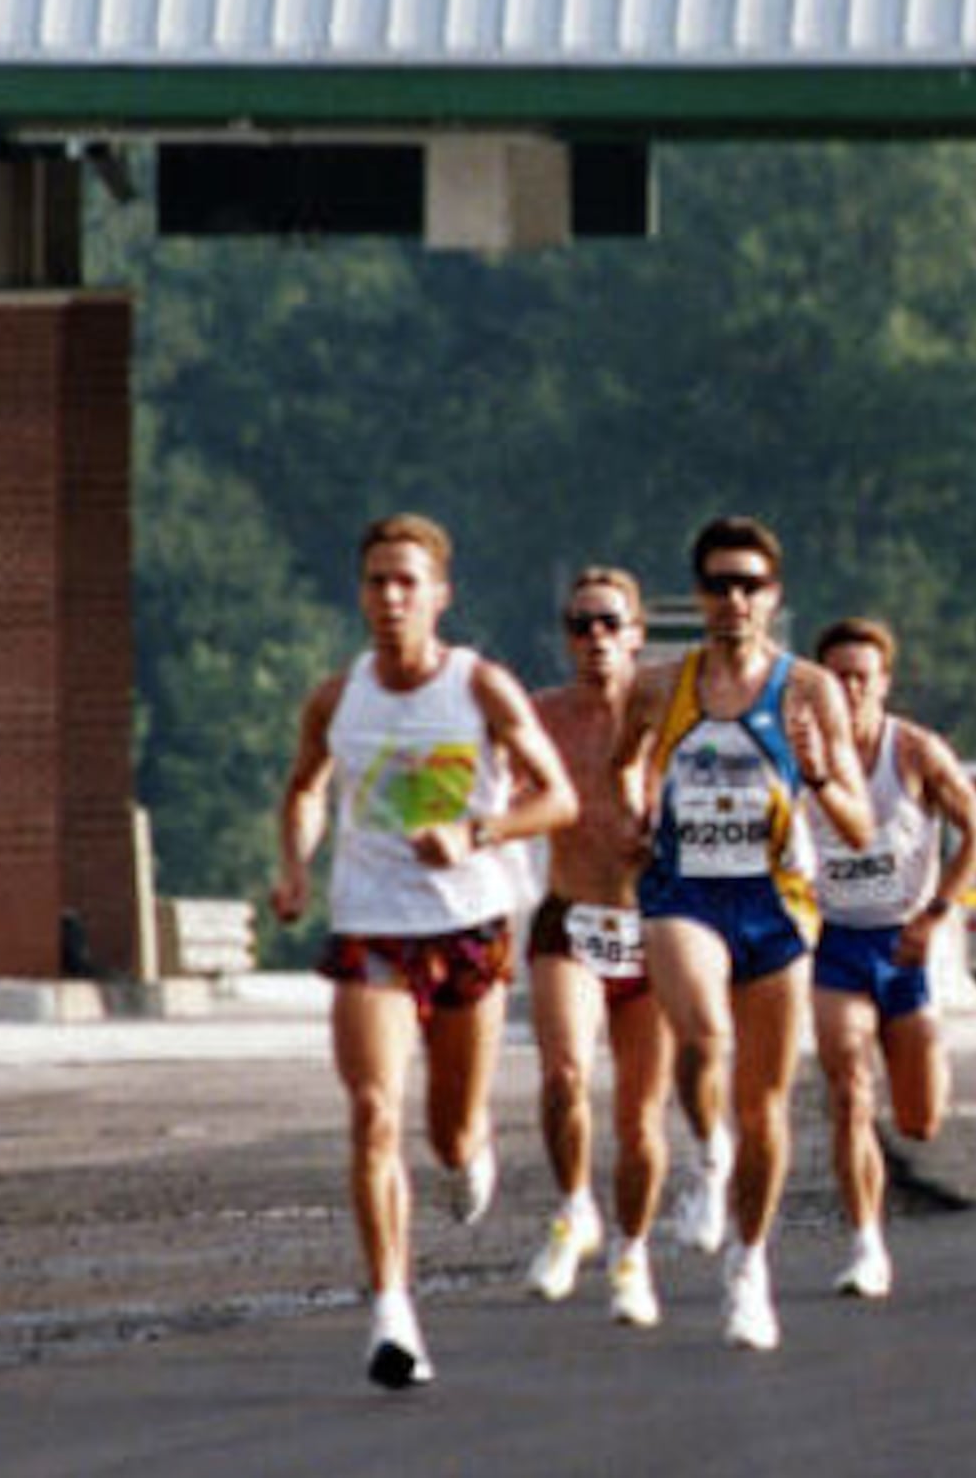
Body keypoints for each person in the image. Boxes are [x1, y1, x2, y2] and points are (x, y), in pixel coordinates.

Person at [273, 514, 580, 1391]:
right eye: (376, 580)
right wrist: (294, 864)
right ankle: (392, 1315)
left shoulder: (481, 686)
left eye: (408, 581)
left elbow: (557, 799)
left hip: (468, 924)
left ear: (440, 594)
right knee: (374, 1111)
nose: (391, 596)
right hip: (371, 924)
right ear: (361, 592)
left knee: (449, 1129)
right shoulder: (338, 698)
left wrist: (478, 829)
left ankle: (471, 1149)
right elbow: (303, 790)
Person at [617, 515, 876, 1353]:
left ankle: (749, 1267)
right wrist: (634, 802)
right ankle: (705, 1157)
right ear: (699, 594)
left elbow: (859, 826)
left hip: (775, 899)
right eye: (720, 583)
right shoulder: (660, 685)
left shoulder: (808, 690)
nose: (734, 598)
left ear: (774, 596)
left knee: (767, 1105)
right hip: (684, 890)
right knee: (705, 1033)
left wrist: (824, 769)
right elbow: (624, 760)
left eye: (750, 584)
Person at [805, 616, 976, 1303]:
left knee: (918, 1120)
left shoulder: (915, 751)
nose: (851, 689)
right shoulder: (801, 754)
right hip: (834, 943)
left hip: (905, 942)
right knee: (849, 1088)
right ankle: (866, 1244)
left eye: (864, 676)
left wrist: (938, 911)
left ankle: (922, 1077)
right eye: (838, 677)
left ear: (884, 682)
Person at [520, 565, 675, 1329]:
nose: (596, 638)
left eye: (611, 622)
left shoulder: (673, 717)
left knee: (641, 1120)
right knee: (565, 1074)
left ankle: (632, 1253)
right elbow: (490, 786)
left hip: (653, 930)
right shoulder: (541, 715)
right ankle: (574, 1208)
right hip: (572, 916)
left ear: (637, 633)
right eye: (581, 624)